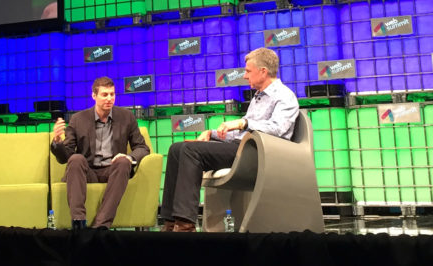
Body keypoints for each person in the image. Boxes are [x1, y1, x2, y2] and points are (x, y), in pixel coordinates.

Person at [159, 47, 299, 232]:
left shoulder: (285, 96)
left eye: (248, 71)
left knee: (190, 152)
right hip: (241, 147)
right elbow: (242, 131)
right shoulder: (258, 96)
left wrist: (243, 122)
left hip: (258, 153)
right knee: (177, 148)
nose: (245, 76)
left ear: (263, 71)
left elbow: (278, 129)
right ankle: (169, 222)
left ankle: (185, 224)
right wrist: (212, 133)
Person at [51, 77, 150, 230]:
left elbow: (142, 148)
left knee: (124, 162)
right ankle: (78, 223)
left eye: (112, 94)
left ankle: (101, 226)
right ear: (94, 96)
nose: (109, 98)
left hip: (113, 170)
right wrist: (57, 142)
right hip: (88, 171)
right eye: (105, 95)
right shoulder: (78, 119)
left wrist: (129, 157)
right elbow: (66, 157)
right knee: (76, 159)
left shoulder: (126, 117)